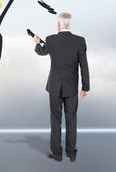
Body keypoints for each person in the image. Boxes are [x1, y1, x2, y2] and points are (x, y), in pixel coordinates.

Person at [33, 12, 90, 162]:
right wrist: (85, 87)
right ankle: (71, 153)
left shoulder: (50, 39)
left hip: (54, 87)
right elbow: (84, 66)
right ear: (68, 24)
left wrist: (37, 42)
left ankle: (57, 154)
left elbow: (41, 52)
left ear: (58, 24)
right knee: (71, 120)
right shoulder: (80, 41)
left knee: (55, 120)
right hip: (71, 87)